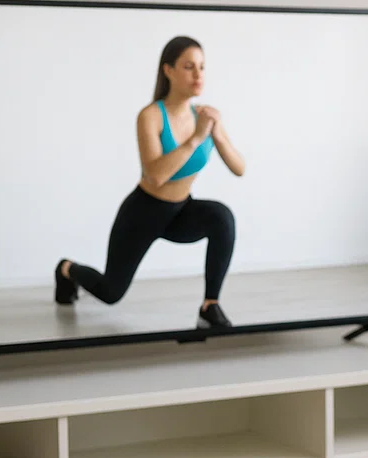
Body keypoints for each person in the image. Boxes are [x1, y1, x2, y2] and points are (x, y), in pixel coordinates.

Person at [54, 35, 245, 329]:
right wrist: (196, 138)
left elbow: (239, 168)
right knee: (110, 292)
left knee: (222, 217)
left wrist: (217, 133)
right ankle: (67, 269)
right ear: (168, 70)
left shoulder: (205, 116)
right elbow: (156, 175)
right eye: (188, 67)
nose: (198, 74)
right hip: (143, 213)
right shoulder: (151, 116)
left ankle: (210, 306)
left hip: (180, 211)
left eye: (202, 67)